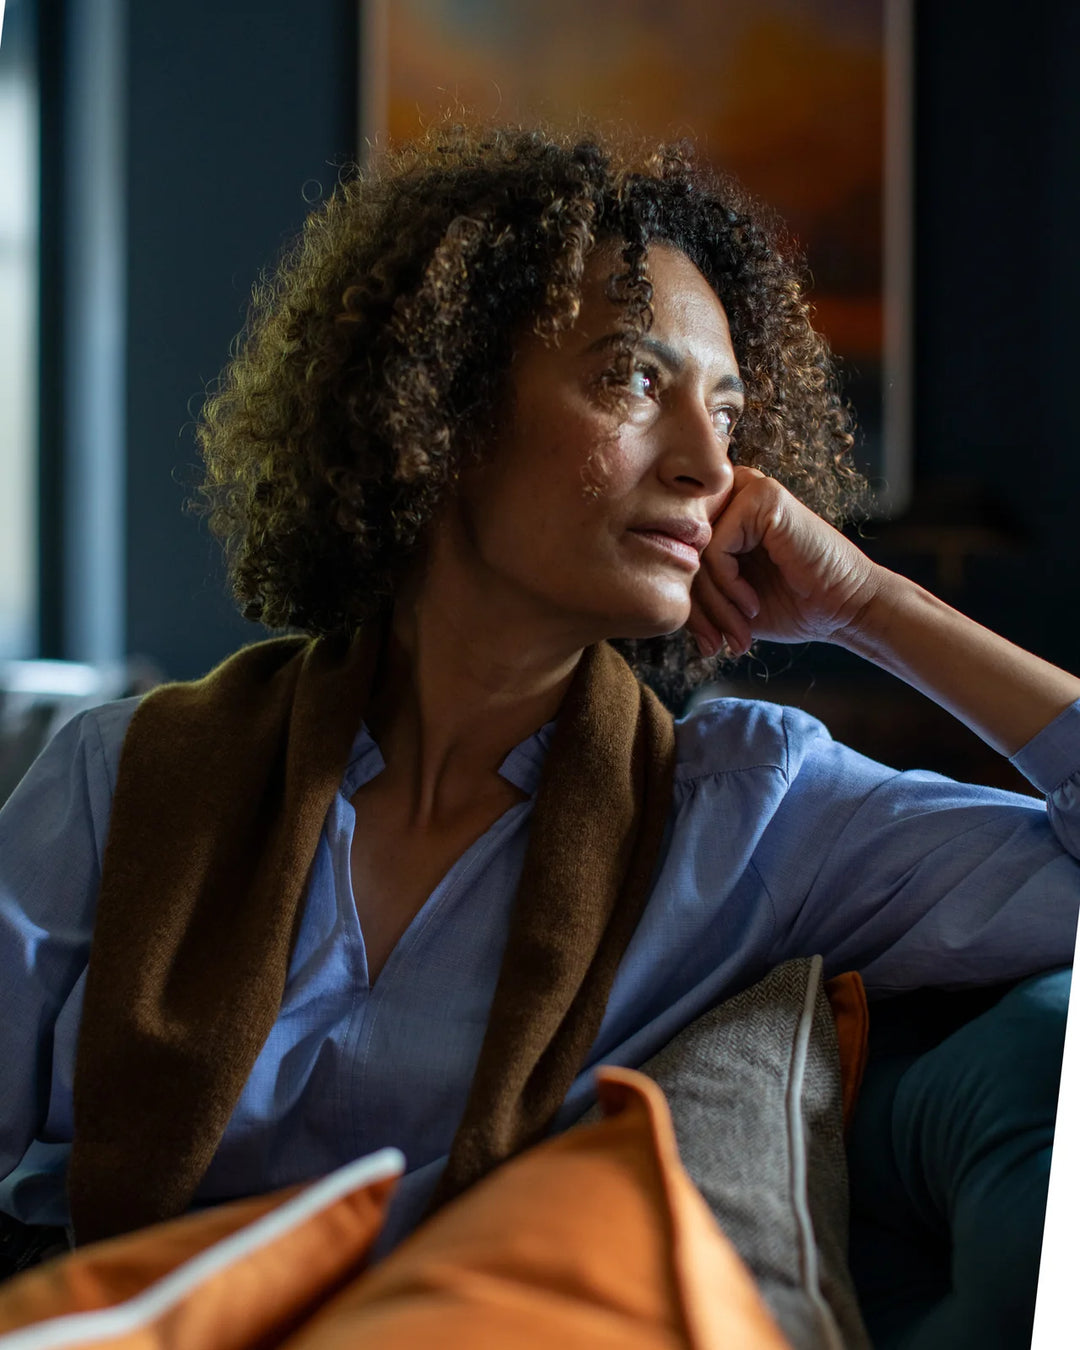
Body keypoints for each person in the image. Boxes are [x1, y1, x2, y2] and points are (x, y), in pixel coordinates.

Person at [1, 123, 1078, 1273]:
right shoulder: (123, 777)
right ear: (444, 406)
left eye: (724, 411)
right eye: (632, 377)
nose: (709, 469)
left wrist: (872, 604)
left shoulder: (752, 812)